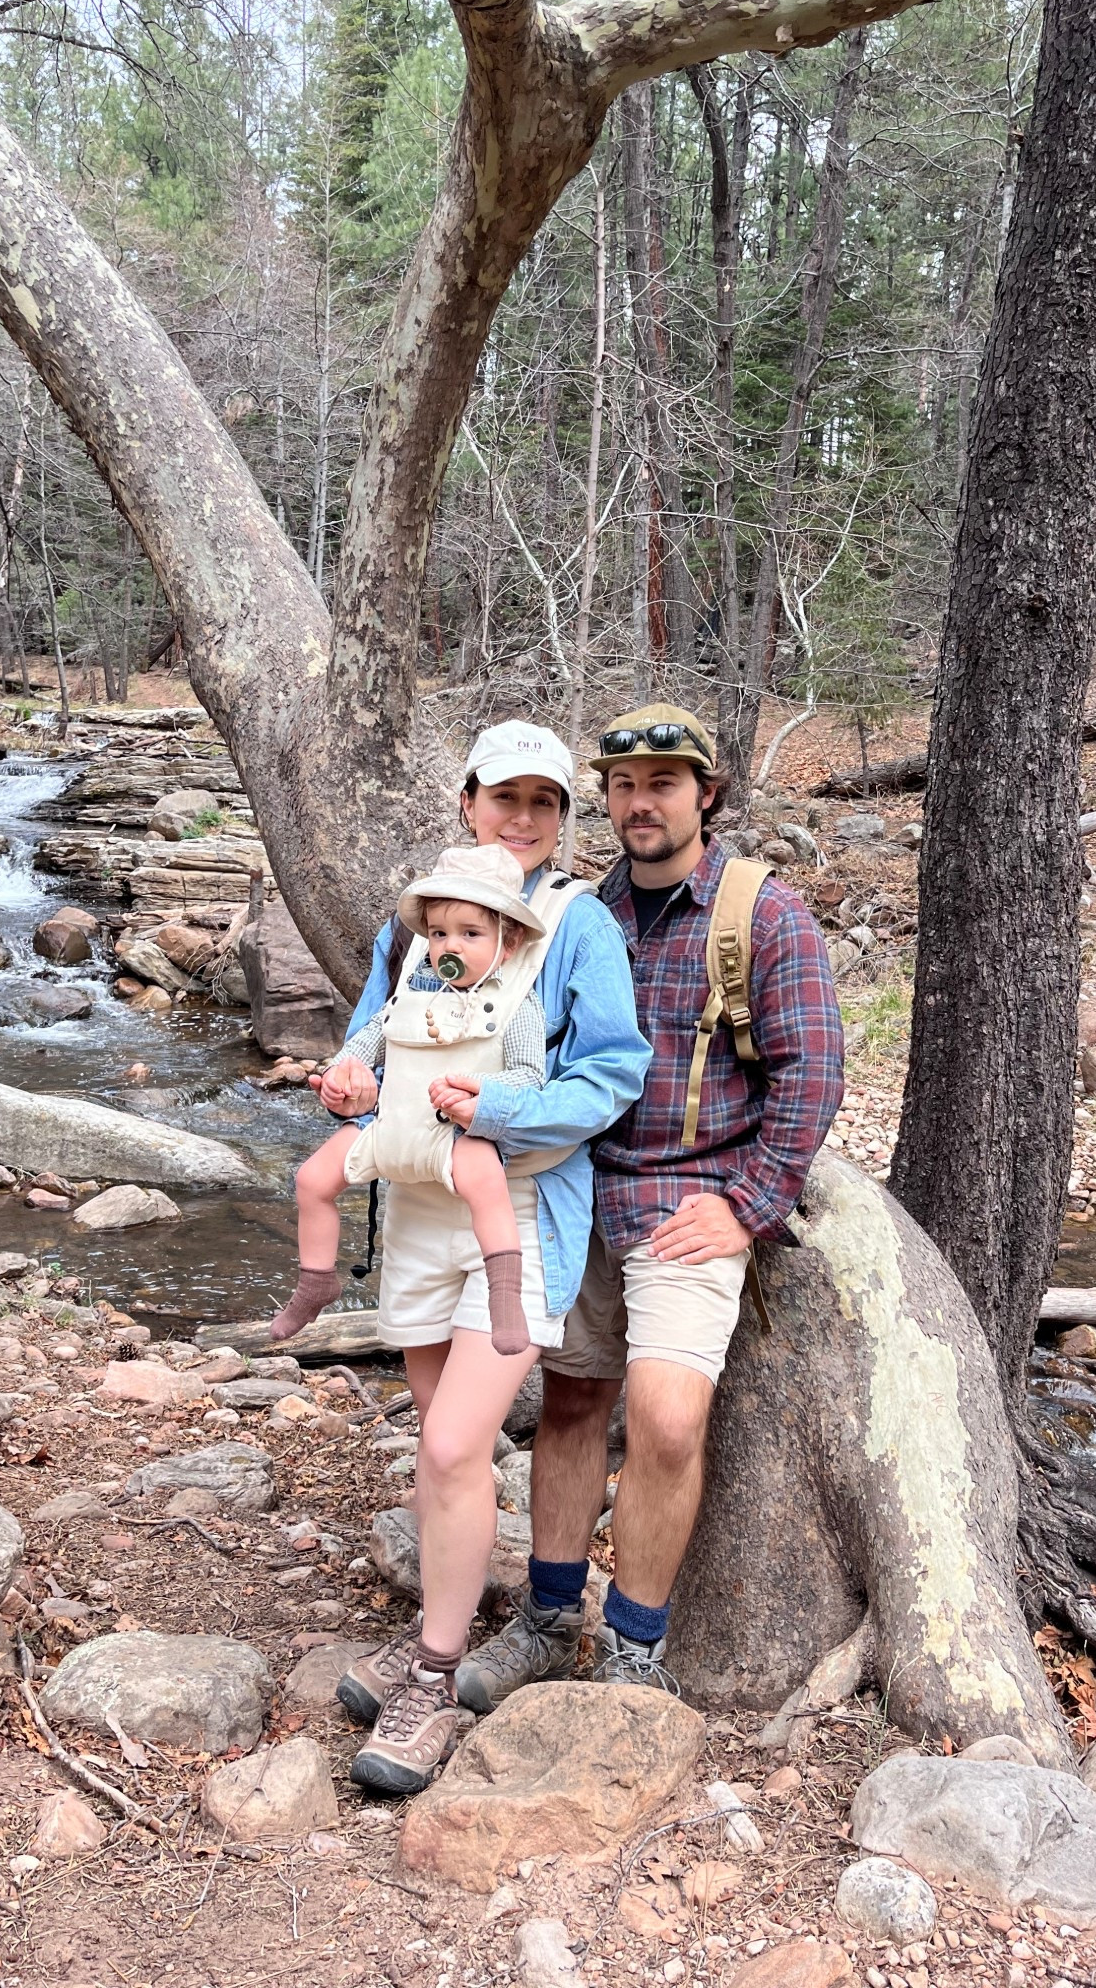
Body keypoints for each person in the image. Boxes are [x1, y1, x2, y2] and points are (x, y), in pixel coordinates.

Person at [456, 703, 844, 1708]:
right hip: (580, 1189)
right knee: (574, 1400)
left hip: (693, 1200)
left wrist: (752, 1204)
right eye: (624, 785)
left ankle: (633, 1644)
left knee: (667, 1422)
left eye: (664, 783)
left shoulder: (762, 913)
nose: (640, 802)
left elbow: (813, 1070)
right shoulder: (581, 912)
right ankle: (546, 1620)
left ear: (706, 794)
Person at [326, 721, 651, 1794]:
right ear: (467, 799)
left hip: (522, 1210)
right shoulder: (418, 918)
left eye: (544, 803)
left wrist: (502, 1104)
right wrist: (346, 1072)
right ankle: (443, 1623)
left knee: (462, 1439)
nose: (522, 818)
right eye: (503, 797)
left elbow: (612, 1074)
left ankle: (432, 1674)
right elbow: (376, 1025)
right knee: (439, 1447)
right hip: (417, 1209)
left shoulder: (579, 927)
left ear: (563, 818)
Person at [271, 844, 550, 1357]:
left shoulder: (518, 1000)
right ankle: (316, 1280)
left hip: (455, 1132)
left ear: (507, 944)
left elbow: (531, 1075)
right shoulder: (409, 991)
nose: (451, 945)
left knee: (487, 1183)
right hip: (391, 1126)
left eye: (471, 934)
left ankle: (505, 1297)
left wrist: (480, 1090)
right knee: (312, 1178)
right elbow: (368, 1041)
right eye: (440, 933)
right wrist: (342, 1073)